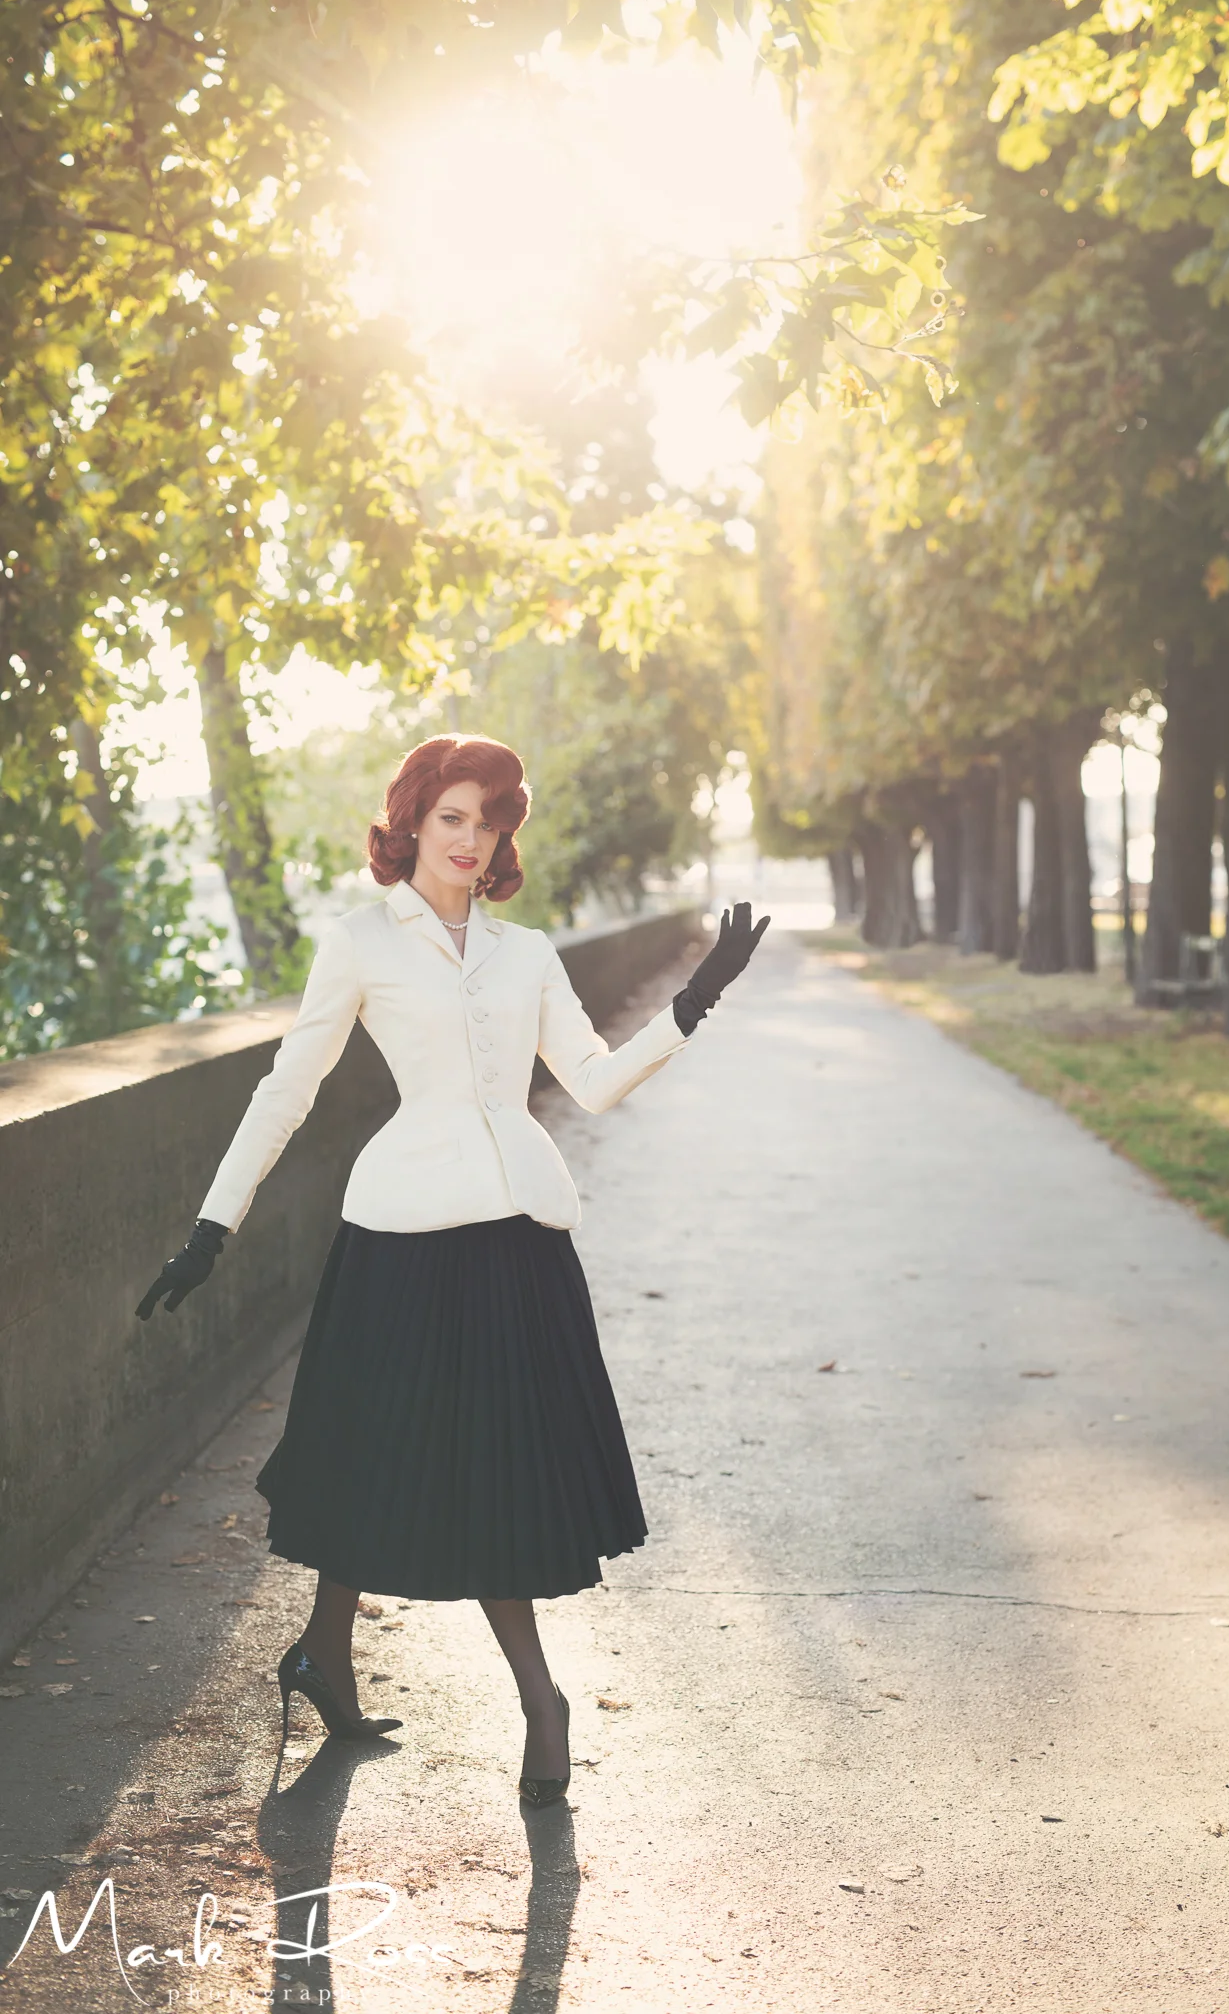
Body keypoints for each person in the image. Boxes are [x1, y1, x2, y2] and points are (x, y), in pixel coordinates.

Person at [136, 734, 768, 1805]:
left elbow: (596, 1082)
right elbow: (286, 1089)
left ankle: (536, 1701)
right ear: (412, 824)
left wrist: (694, 998)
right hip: (399, 1233)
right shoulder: (358, 944)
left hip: (517, 1235)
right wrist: (211, 1227)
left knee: (496, 1470)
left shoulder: (525, 954)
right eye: (452, 818)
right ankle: (327, 1657)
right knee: (372, 1458)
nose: (472, 840)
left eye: (489, 821)